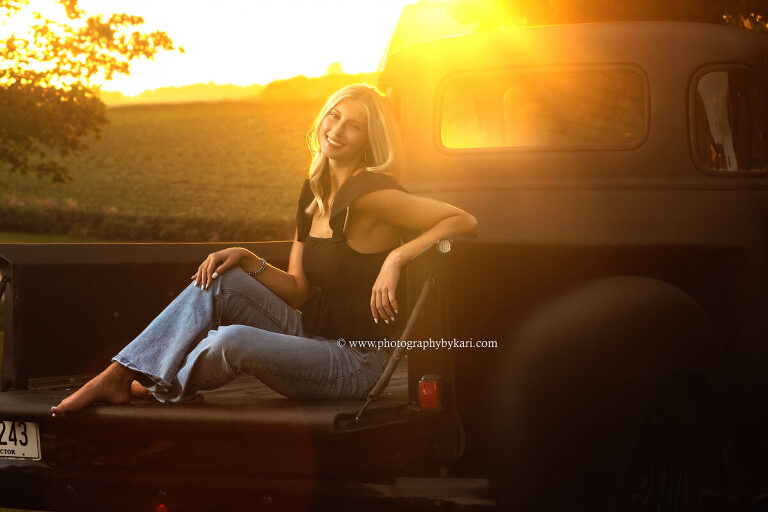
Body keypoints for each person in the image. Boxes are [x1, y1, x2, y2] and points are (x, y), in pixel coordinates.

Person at [51, 84, 478, 416]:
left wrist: (397, 257)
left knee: (233, 340)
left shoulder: (370, 192)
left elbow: (462, 220)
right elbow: (297, 291)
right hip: (310, 336)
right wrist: (248, 258)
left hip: (357, 363)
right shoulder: (314, 193)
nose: (337, 130)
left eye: (355, 125)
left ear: (370, 139)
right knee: (222, 278)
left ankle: (159, 382)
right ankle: (119, 374)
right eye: (334, 115)